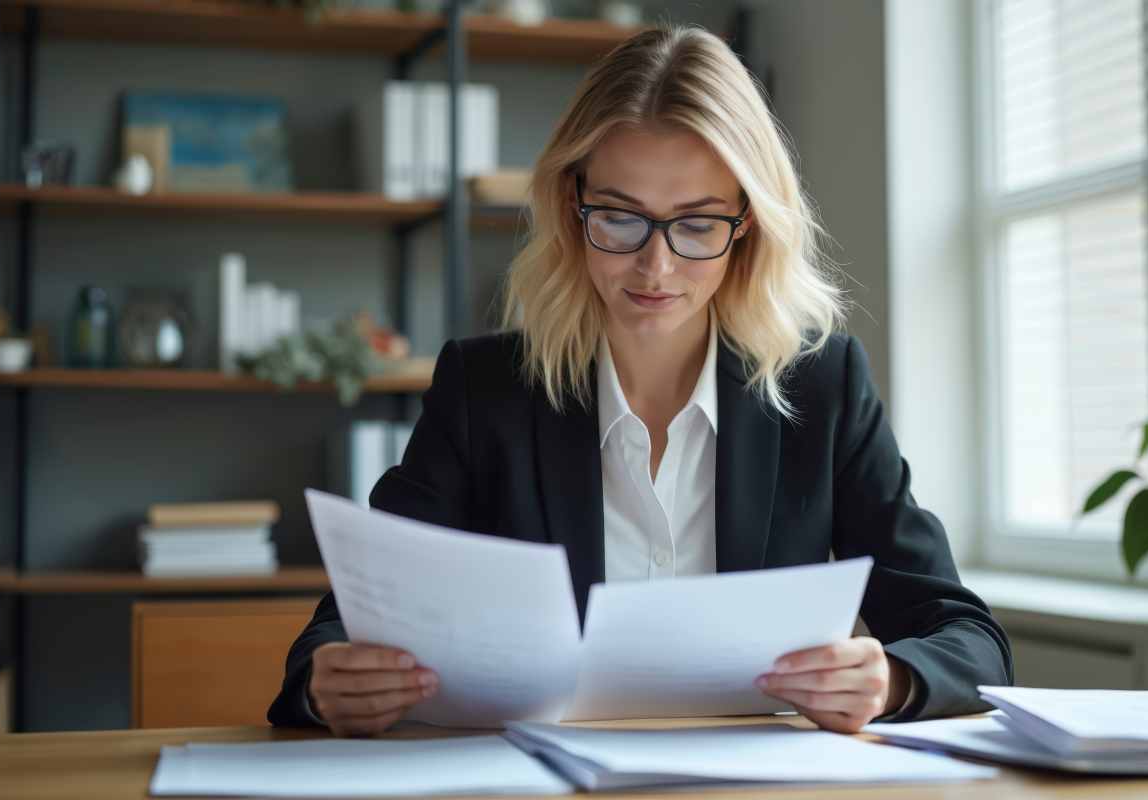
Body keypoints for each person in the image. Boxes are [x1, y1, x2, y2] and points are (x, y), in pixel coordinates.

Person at [268, 24, 1010, 738]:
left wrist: (891, 680)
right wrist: (327, 681)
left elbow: (968, 638)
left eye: (696, 224)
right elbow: (341, 630)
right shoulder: (483, 390)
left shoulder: (824, 387)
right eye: (620, 219)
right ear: (572, 203)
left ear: (748, 222)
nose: (655, 268)